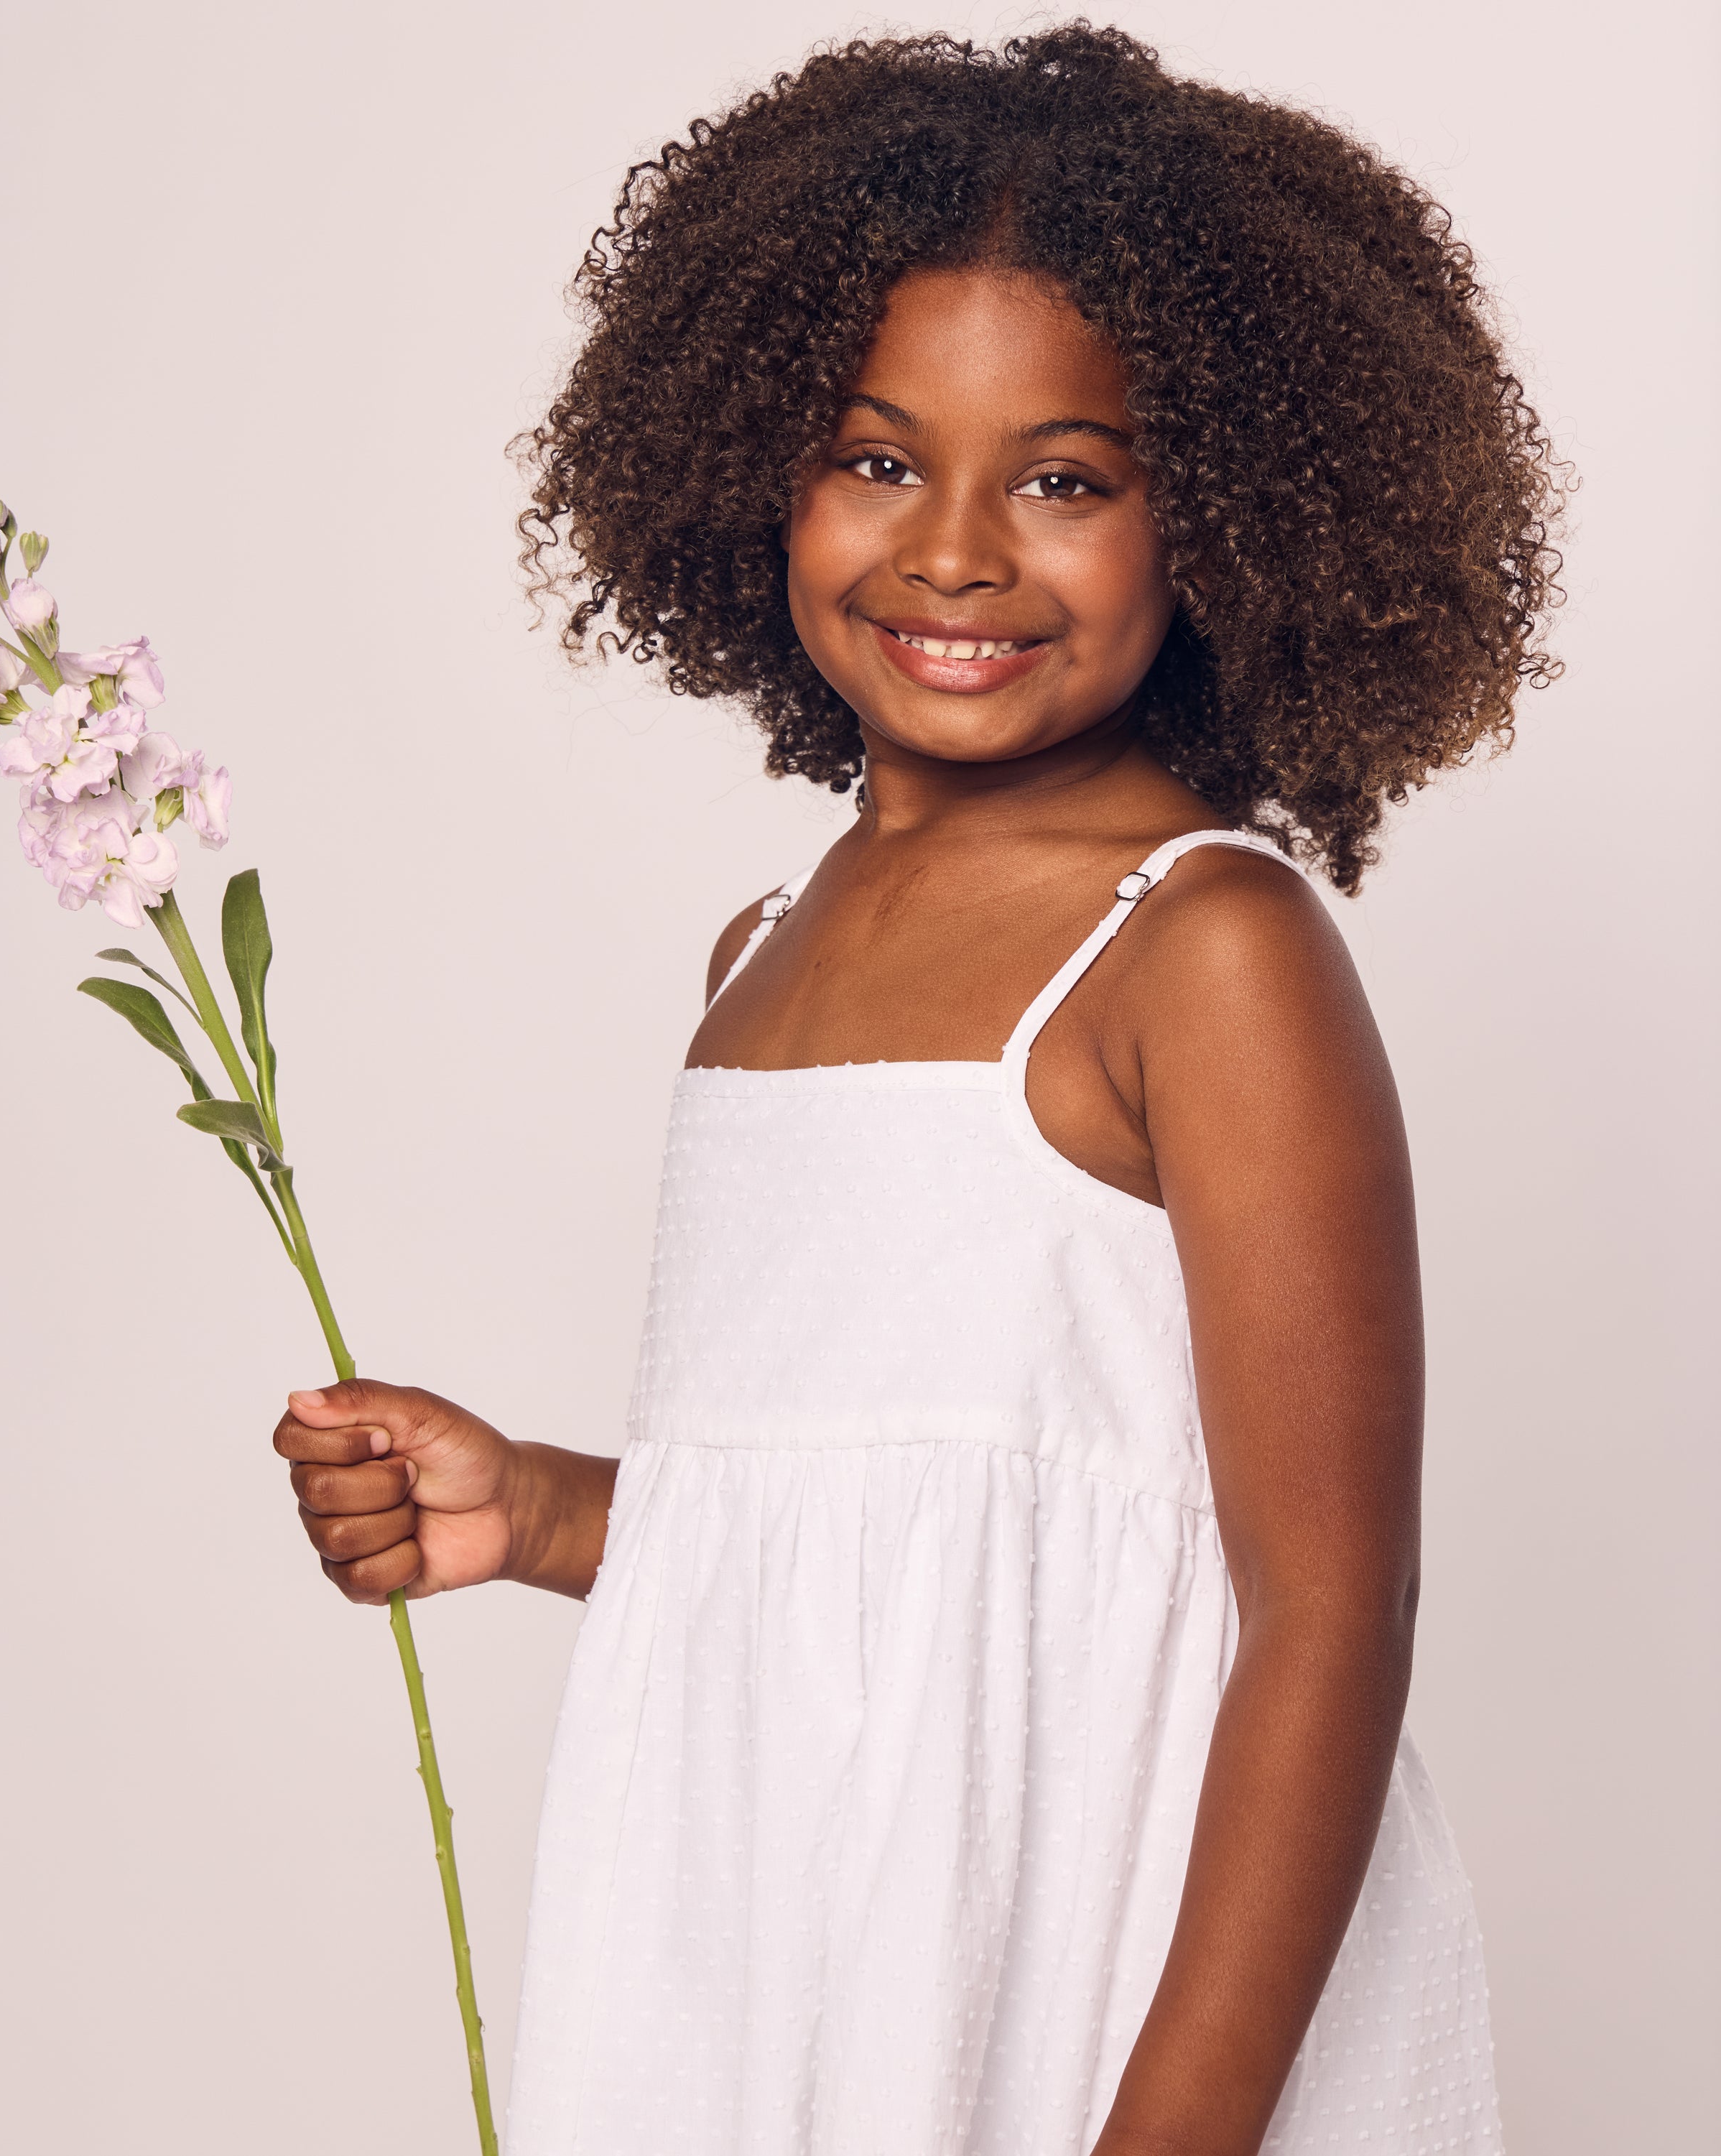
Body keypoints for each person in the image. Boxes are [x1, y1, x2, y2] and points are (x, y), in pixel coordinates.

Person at [274, 28, 1563, 2154]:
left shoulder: (1200, 948)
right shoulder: (753, 956)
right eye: (878, 459)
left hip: (1099, 2004)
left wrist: (1172, 2132)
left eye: (1064, 478)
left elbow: (1330, 1614)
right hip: (788, 1959)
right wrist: (553, 1508)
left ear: (1217, 511)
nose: (954, 552)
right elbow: (864, 1518)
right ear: (748, 469)